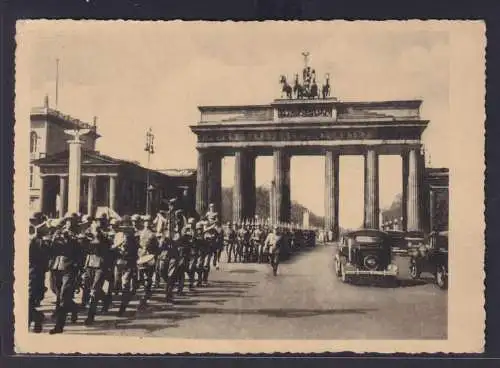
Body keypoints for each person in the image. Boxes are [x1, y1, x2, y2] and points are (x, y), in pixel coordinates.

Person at [47, 218, 81, 334]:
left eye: (70, 226)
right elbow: (51, 249)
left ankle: (59, 326)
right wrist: (53, 238)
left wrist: (68, 237)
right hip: (56, 267)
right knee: (56, 292)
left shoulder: (76, 237)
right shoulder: (57, 235)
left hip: (69, 268)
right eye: (65, 226)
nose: (67, 228)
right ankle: (74, 307)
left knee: (64, 296)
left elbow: (77, 250)